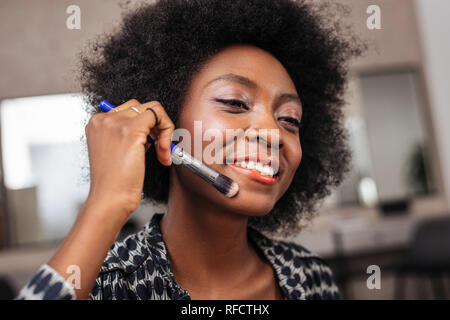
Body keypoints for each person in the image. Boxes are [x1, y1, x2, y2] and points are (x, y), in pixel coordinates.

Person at [15, 0, 362, 300]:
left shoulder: (310, 278)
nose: (273, 132)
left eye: (290, 119)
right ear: (164, 125)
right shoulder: (102, 284)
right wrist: (105, 204)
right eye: (235, 102)